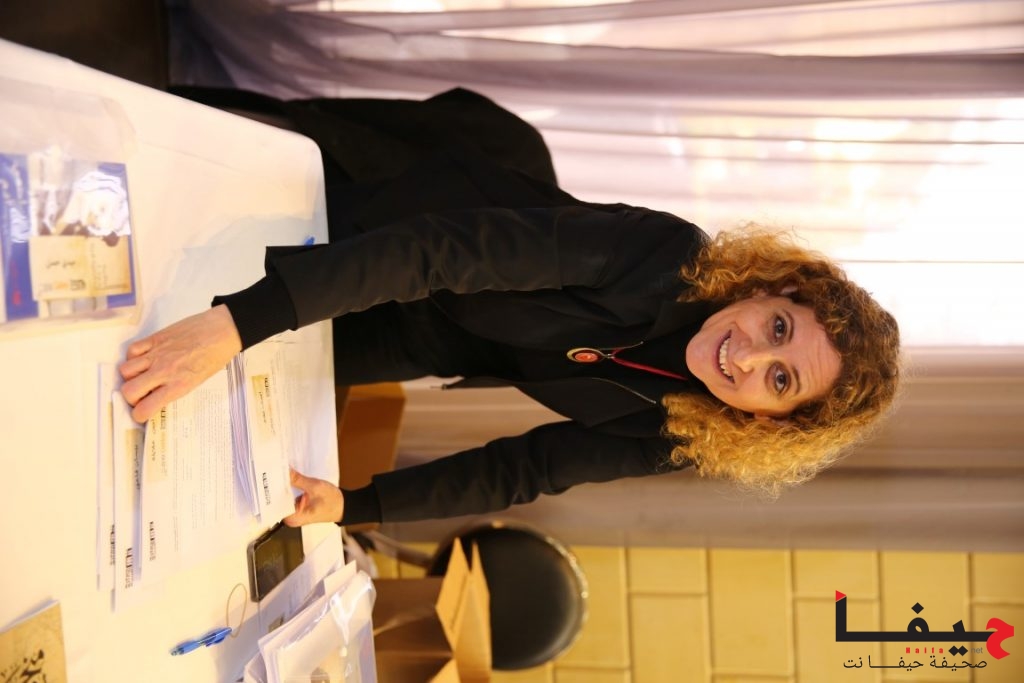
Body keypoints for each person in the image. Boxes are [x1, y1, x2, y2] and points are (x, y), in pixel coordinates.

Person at [119, 88, 901, 529]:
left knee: (200, 381)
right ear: (772, 290)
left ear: (774, 420)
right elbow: (438, 252)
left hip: (437, 334)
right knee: (185, 265)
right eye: (777, 328)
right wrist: (234, 325)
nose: (748, 357)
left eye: (780, 379)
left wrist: (355, 505)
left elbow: (527, 469)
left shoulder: (688, 434)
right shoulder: (667, 257)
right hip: (407, 219)